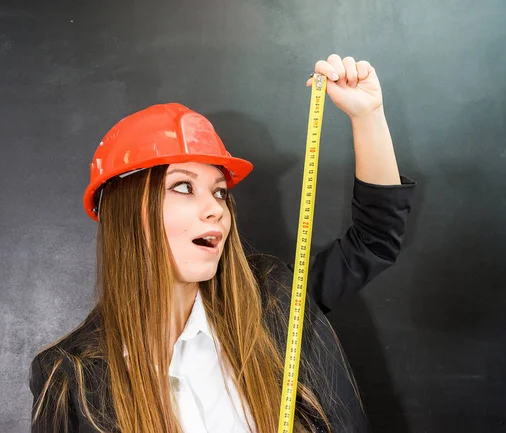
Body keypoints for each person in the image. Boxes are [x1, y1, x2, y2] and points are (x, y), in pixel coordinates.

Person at [29, 54, 416, 433]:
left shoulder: (276, 300)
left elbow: (375, 240)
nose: (214, 209)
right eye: (183, 187)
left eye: (219, 192)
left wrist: (367, 117)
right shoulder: (67, 377)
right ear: (127, 213)